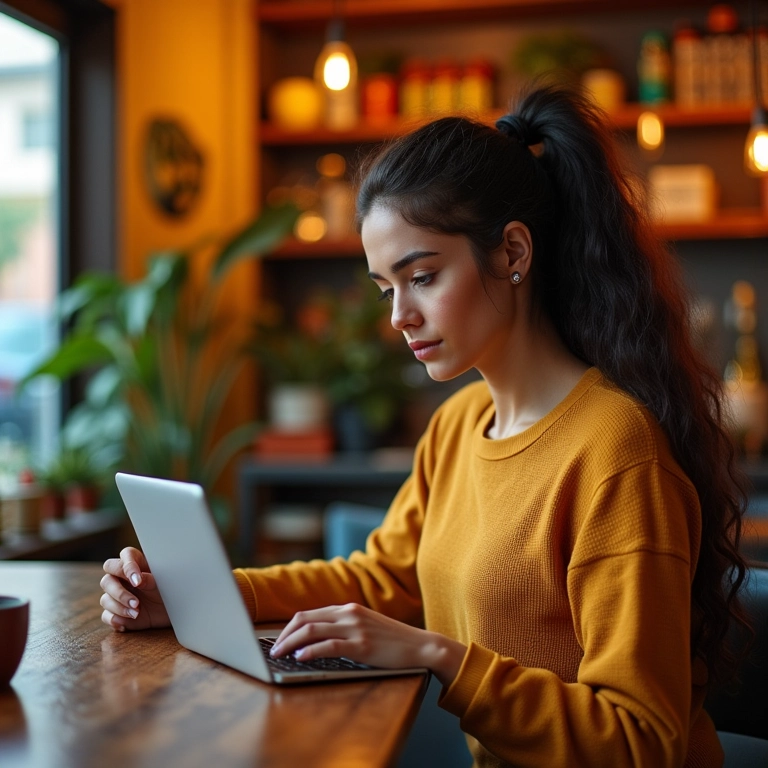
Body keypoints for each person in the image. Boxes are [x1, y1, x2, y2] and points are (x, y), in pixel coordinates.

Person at [100, 84, 750, 768]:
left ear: (512, 253)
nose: (398, 316)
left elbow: (639, 742)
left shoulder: (616, 451)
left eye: (423, 276)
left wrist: (437, 655)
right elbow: (383, 579)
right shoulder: (460, 424)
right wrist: (193, 594)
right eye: (387, 288)